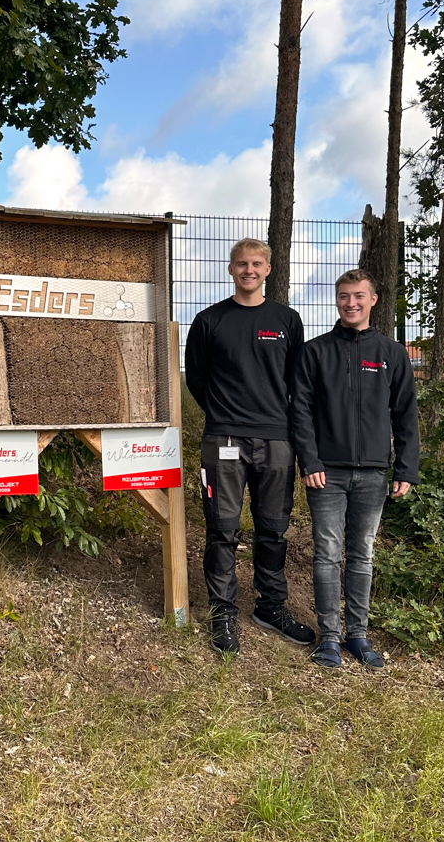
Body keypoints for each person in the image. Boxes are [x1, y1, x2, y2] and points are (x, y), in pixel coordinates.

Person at [184, 238, 314, 656]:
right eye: (242, 264)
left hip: (277, 441)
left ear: (269, 270)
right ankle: (222, 612)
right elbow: (197, 379)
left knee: (273, 529)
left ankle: (270, 607)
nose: (249, 270)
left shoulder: (287, 320)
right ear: (230, 269)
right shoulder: (209, 321)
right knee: (222, 529)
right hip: (223, 438)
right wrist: (225, 414)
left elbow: (297, 382)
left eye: (257, 264)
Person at [292, 268, 419, 669]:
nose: (351, 303)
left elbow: (405, 415)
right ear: (336, 300)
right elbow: (300, 413)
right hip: (325, 473)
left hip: (373, 475)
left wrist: (405, 469)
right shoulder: (315, 352)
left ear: (373, 300)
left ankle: (357, 635)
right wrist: (309, 461)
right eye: (344, 296)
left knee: (362, 554)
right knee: (327, 553)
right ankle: (329, 637)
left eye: (359, 296)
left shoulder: (391, 354)